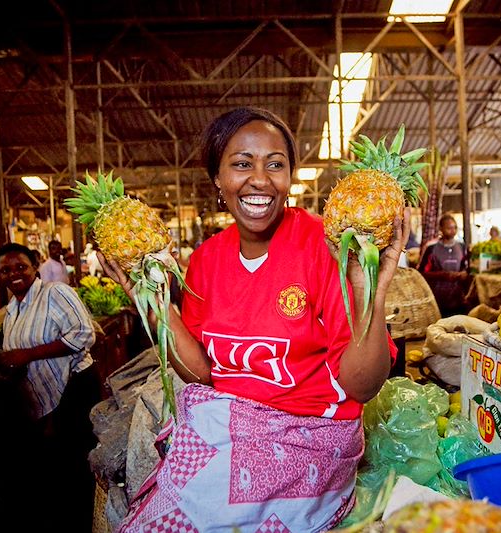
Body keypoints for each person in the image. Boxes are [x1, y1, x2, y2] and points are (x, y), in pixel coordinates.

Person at [98, 106, 406, 533]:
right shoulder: (206, 261)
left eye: (275, 165)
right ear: (218, 182)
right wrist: (151, 304)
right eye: (242, 164)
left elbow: (362, 385)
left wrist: (368, 288)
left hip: (310, 438)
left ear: (289, 179)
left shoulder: (326, 246)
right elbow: (203, 375)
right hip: (227, 432)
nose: (259, 179)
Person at [0, 243, 98, 531]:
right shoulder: (12, 309)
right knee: (56, 470)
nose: (14, 274)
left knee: (74, 467)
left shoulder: (54, 292)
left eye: (20, 267)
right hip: (44, 398)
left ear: (35, 265)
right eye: (5, 270)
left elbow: (83, 335)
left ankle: (83, 522)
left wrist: (25, 355)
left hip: (75, 388)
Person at [418, 213, 471, 317]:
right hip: (438, 298)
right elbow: (422, 273)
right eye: (449, 228)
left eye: (455, 227)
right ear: (441, 229)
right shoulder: (432, 249)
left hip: (457, 298)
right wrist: (443, 274)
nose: (453, 230)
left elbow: (466, 267)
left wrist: (464, 273)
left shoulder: (462, 247)